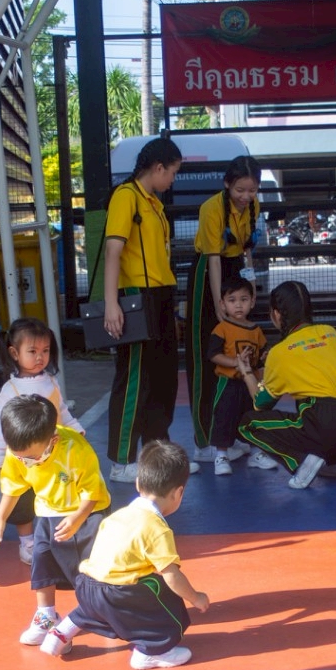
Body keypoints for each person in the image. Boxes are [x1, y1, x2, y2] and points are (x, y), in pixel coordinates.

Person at [39, 440, 209, 670]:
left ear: (138, 483)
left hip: (86, 587)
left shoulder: (118, 516)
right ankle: (151, 652)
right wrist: (195, 597)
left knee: (95, 606)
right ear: (178, 493)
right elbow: (171, 576)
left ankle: (60, 633)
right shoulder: (157, 528)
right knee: (165, 598)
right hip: (117, 595)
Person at [0, 394, 111, 647]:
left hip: (87, 513)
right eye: (20, 457)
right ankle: (46, 616)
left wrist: (77, 518)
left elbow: (92, 491)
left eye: (31, 458)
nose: (25, 462)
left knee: (92, 568)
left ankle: (104, 611)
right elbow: (12, 486)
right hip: (48, 511)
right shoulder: (18, 450)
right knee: (42, 559)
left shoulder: (76, 449)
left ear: (52, 440)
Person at [103, 136, 189, 479]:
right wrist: (112, 303)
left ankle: (156, 455)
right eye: (173, 173)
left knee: (163, 379)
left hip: (161, 293)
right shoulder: (126, 196)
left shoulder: (154, 203)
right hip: (137, 294)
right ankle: (121, 461)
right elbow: (113, 251)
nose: (173, 180)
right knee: (134, 379)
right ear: (158, 167)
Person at [237, 280, 336, 489]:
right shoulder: (330, 332)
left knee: (248, 424)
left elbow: (260, 404)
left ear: (277, 314)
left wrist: (246, 372)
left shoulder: (280, 352)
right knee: (308, 399)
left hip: (325, 424)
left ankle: (302, 462)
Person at [0, 317, 87, 563]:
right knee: (22, 498)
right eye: (32, 351)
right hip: (23, 456)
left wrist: (76, 429)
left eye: (45, 350)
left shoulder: (51, 381)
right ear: (14, 353)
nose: (40, 357)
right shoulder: (10, 389)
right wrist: (0, 455)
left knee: (54, 495)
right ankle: (27, 543)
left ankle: (53, 537)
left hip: (53, 453)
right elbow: (2, 425)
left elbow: (61, 411)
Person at [188, 155, 262, 457]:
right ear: (227, 184)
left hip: (235, 272)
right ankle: (204, 441)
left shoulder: (254, 206)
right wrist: (220, 302)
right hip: (209, 272)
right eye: (240, 190)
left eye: (252, 190)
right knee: (207, 354)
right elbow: (214, 259)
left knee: (240, 354)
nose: (246, 196)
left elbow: (247, 251)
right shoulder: (212, 208)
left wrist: (251, 288)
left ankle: (234, 435)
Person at [204, 274, 272, 474]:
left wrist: (266, 357)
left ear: (252, 301)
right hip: (228, 383)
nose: (238, 305)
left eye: (243, 299)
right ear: (222, 304)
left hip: (251, 383)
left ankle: (256, 453)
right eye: (232, 300)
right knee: (224, 417)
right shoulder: (222, 329)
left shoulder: (256, 330)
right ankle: (221, 456)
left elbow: (260, 356)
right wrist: (235, 362)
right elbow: (213, 355)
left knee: (253, 416)